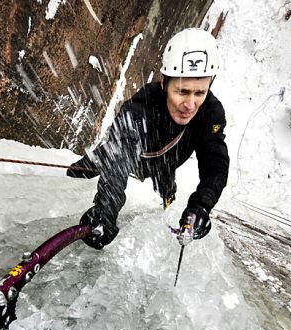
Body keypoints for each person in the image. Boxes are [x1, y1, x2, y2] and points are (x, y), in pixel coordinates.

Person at [67, 28, 230, 249]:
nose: (190, 105)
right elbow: (119, 158)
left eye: (199, 93)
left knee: (167, 189)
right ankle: (90, 162)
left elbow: (215, 165)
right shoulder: (139, 109)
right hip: (129, 154)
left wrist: (201, 206)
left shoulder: (211, 112)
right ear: (164, 82)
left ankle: (166, 194)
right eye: (182, 92)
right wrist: (107, 209)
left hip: (166, 165)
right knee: (96, 162)